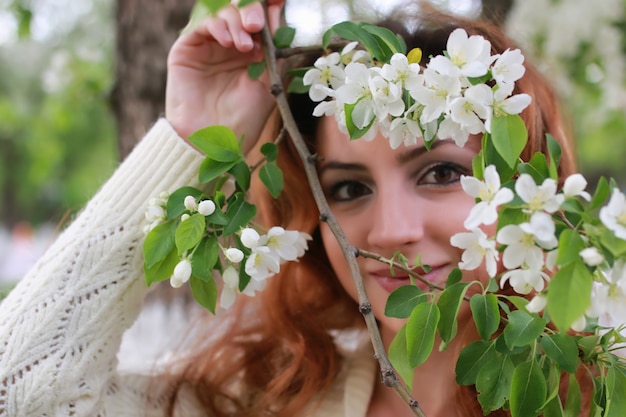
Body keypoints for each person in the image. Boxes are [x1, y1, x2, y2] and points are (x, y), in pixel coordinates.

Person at [0, 1, 588, 416]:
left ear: (529, 189)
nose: (388, 231)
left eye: (441, 173)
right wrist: (193, 135)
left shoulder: (594, 394)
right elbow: (22, 391)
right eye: (350, 189)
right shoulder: (268, 401)